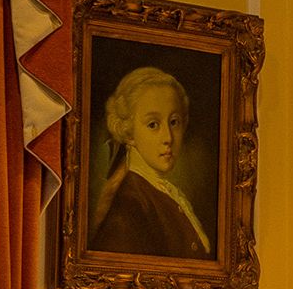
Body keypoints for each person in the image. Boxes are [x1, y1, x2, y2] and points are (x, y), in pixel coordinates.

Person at [89, 63, 214, 258]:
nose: (168, 138)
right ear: (129, 131)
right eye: (153, 124)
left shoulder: (162, 192)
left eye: (174, 122)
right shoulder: (131, 204)